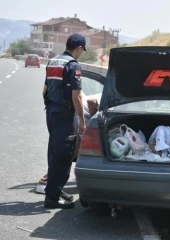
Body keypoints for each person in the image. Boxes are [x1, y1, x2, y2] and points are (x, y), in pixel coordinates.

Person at [41, 33, 87, 209]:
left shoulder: (53, 62)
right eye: (82, 50)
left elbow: (44, 91)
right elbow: (77, 98)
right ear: (79, 48)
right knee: (63, 155)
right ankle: (52, 198)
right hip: (65, 115)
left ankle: (56, 190)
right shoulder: (72, 65)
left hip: (52, 112)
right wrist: (82, 121)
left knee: (54, 151)